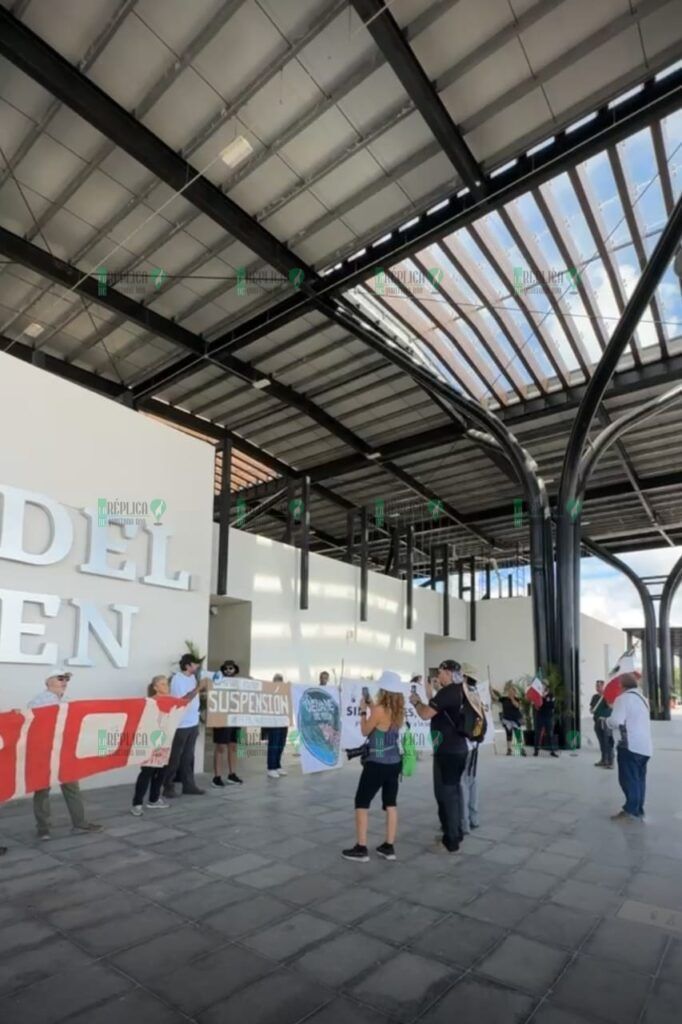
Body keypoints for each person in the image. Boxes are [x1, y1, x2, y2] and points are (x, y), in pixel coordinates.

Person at [28, 670, 102, 840]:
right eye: (60, 678)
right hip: (44, 753)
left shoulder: (68, 702)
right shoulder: (37, 702)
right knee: (42, 790)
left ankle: (80, 823)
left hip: (64, 752)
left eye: (67, 679)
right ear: (48, 682)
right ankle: (43, 828)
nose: (65, 681)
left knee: (72, 788)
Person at [411, 659, 468, 853]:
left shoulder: (447, 692)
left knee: (445, 794)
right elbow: (441, 710)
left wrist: (416, 702)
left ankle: (450, 840)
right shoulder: (463, 690)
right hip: (460, 748)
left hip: (447, 751)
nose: (438, 676)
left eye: (441, 672)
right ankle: (457, 831)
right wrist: (429, 694)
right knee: (455, 792)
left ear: (449, 673)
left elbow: (426, 714)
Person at [342, 685, 405, 862]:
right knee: (390, 804)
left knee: (362, 802)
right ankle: (389, 846)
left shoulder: (378, 710)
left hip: (377, 762)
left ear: (383, 691)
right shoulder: (398, 711)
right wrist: (370, 705)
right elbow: (382, 723)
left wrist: (363, 712)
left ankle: (361, 848)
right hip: (394, 761)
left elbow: (365, 731)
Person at [607, 673, 652, 821]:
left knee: (628, 779)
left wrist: (607, 720)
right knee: (639, 779)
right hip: (645, 746)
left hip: (629, 745)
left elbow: (616, 721)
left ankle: (630, 811)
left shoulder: (623, 699)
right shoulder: (643, 699)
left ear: (622, 686)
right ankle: (638, 809)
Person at [162, 654, 207, 798]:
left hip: (193, 722)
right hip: (181, 724)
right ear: (187, 665)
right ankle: (168, 786)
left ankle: (189, 785)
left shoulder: (192, 678)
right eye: (195, 664)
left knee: (188, 756)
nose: (198, 667)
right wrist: (199, 688)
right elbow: (183, 700)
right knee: (175, 757)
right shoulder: (178, 679)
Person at [131, 676, 172, 816]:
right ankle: (136, 804)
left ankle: (154, 799)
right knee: (147, 772)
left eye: (167, 683)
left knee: (161, 772)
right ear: (155, 687)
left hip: (165, 741)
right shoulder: (150, 702)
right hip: (151, 741)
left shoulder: (171, 701)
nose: (166, 686)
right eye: (162, 684)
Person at [211, 660, 244, 788]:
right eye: (226, 668)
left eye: (231, 668)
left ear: (235, 669)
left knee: (233, 746)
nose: (228, 670)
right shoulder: (217, 681)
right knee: (220, 747)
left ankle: (232, 774)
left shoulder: (240, 684)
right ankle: (217, 777)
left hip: (235, 719)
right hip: (221, 718)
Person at [460, 665, 482, 834]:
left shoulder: (465, 695)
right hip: (475, 744)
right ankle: (474, 818)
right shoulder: (477, 694)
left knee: (462, 784)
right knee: (472, 781)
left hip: (465, 744)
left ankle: (464, 822)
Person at [265, 674, 289, 779]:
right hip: (273, 722)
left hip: (284, 721)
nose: (279, 682)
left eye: (280, 681)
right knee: (273, 744)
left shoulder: (285, 692)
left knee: (281, 744)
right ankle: (271, 768)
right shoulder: (269, 692)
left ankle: (278, 765)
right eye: (277, 681)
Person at [590, 680, 614, 769]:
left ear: (603, 687)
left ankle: (610, 762)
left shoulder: (608, 696)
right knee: (601, 742)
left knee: (608, 741)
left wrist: (607, 699)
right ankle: (603, 759)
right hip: (597, 721)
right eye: (596, 686)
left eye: (599, 686)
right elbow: (592, 707)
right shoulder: (595, 697)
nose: (597, 688)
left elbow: (611, 706)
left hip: (606, 721)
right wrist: (591, 710)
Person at [534, 687, 559, 757]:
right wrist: (541, 700)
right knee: (538, 734)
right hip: (540, 717)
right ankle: (536, 750)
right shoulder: (538, 695)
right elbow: (537, 706)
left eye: (545, 688)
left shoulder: (551, 695)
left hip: (549, 717)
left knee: (550, 734)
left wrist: (544, 700)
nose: (544, 689)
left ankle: (552, 751)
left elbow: (552, 705)